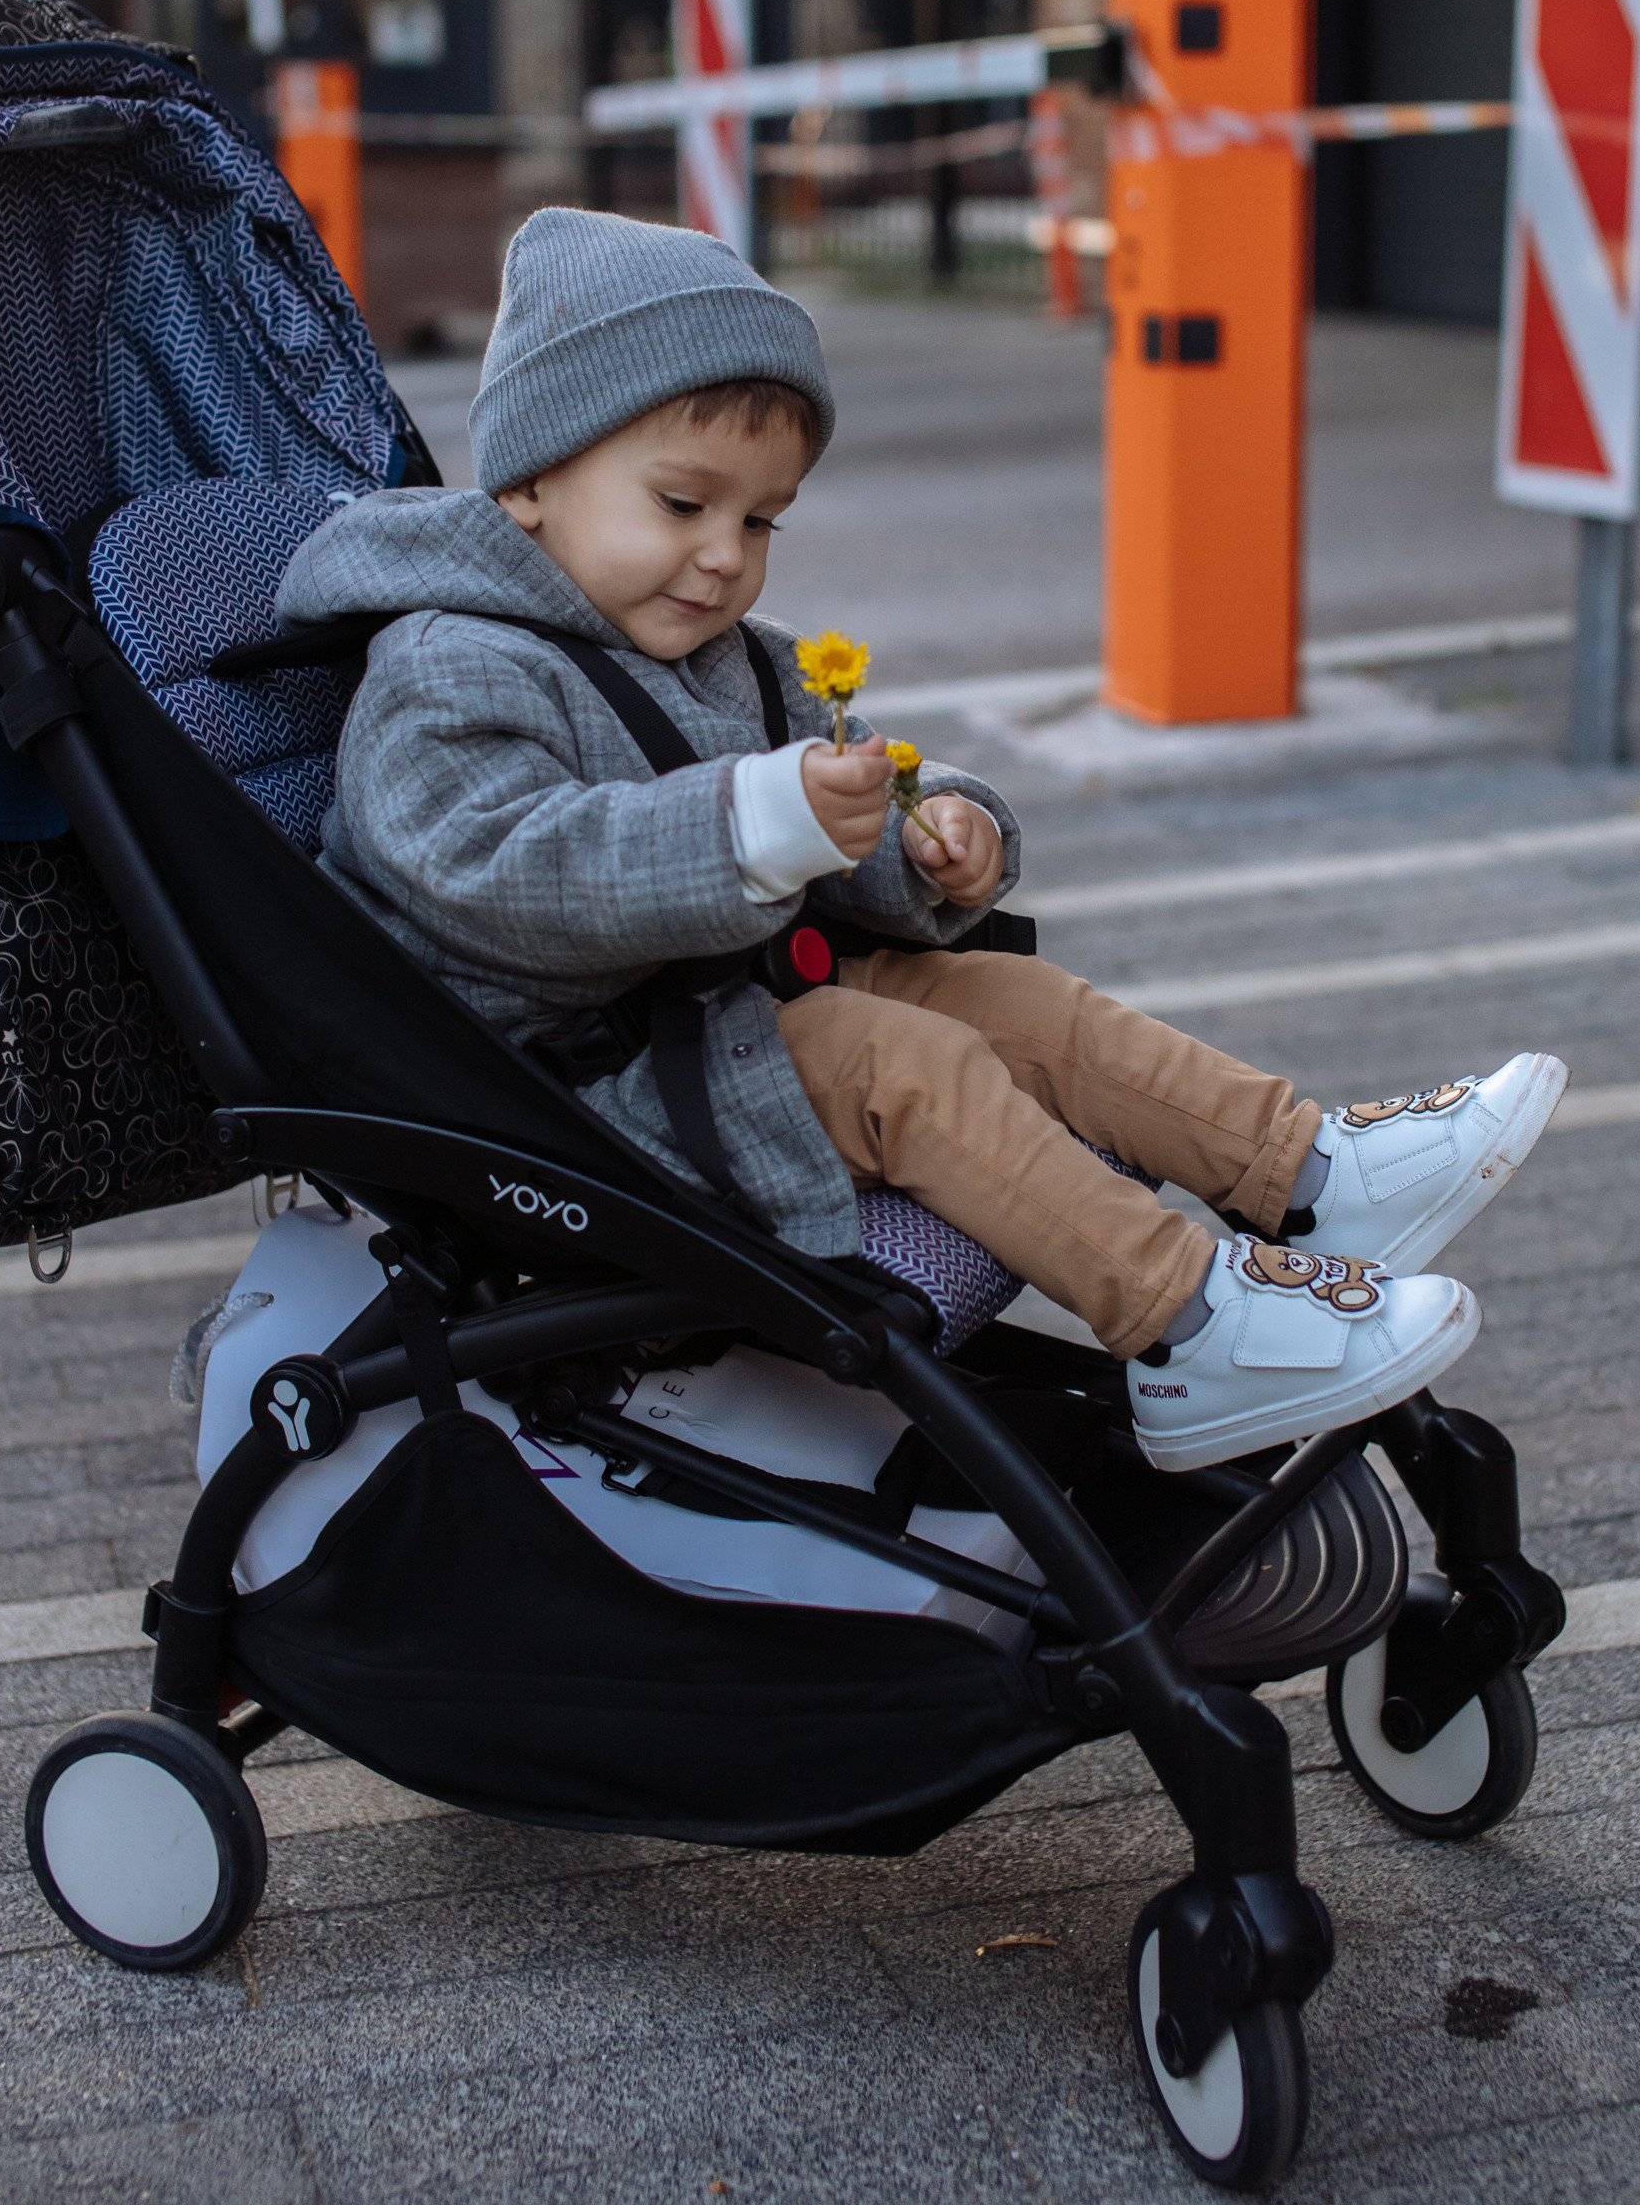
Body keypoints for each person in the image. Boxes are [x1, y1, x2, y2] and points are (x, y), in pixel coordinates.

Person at [280, 212, 1564, 1472]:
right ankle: (1183, 1323)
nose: (722, 557)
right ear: (528, 482)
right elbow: (499, 872)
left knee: (1013, 1002)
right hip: (569, 1096)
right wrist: (753, 823)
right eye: (682, 503)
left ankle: (1307, 1174)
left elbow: (850, 775)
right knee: (903, 1061)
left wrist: (932, 827)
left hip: (714, 1016)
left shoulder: (722, 654)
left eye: (761, 521)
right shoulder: (445, 666)